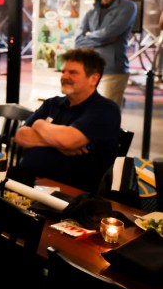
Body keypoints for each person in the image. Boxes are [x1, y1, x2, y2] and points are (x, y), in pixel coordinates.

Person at [14, 48, 121, 193]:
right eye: (63, 71)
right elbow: (21, 136)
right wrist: (57, 141)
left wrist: (39, 126)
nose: (64, 76)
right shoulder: (52, 104)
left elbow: (69, 140)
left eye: (73, 72)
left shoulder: (105, 110)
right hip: (30, 182)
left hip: (72, 195)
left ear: (93, 79)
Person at [74, 0, 137, 108]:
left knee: (108, 116)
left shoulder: (128, 7)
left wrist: (90, 36)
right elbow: (78, 40)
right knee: (87, 113)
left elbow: (111, 32)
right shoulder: (92, 11)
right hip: (89, 70)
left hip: (113, 71)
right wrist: (100, 39)